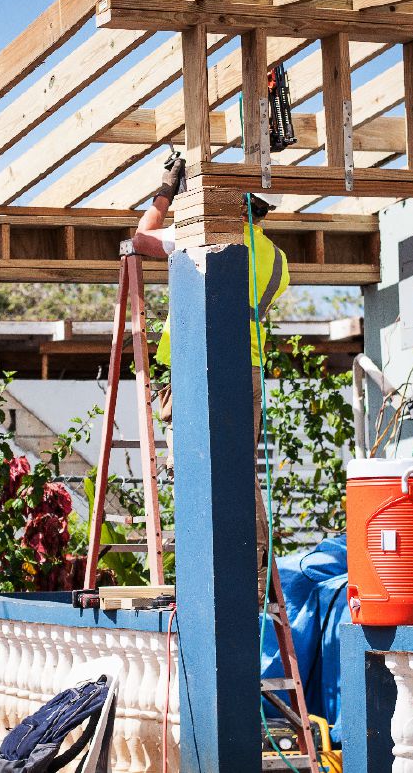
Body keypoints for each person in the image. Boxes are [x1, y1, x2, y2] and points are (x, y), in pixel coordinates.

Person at [130, 158, 291, 604]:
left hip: (197, 369)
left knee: (197, 471)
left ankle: (211, 575)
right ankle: (255, 576)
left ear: (238, 201)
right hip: (248, 371)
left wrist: (166, 192)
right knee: (239, 471)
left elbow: (139, 239)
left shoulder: (198, 240)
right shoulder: (278, 260)